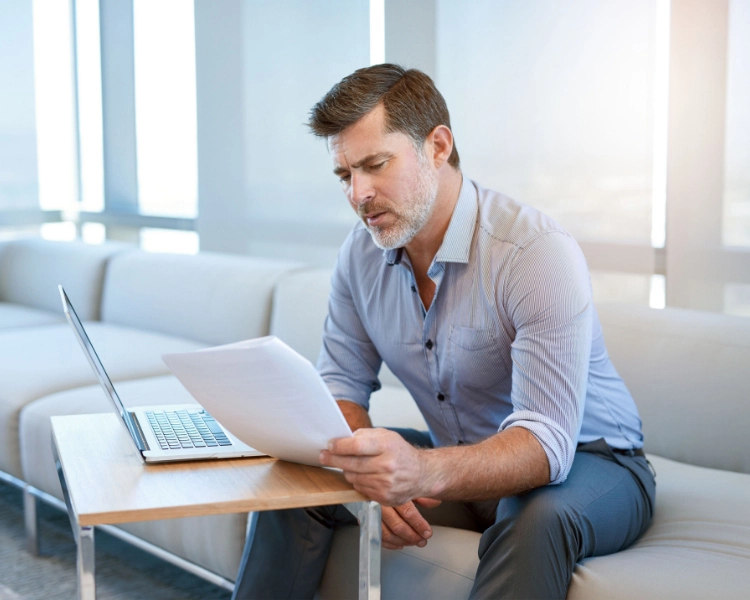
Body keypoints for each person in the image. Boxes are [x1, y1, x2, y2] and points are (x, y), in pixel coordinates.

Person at [232, 64, 655, 599]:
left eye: (375, 165)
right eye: (345, 175)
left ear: (437, 145)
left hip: (590, 461)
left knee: (535, 517)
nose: (358, 194)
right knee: (305, 482)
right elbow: (340, 387)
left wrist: (420, 472)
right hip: (460, 457)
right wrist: (369, 475)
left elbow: (546, 444)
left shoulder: (534, 253)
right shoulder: (360, 255)